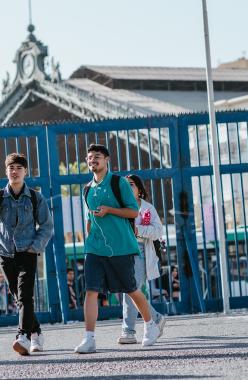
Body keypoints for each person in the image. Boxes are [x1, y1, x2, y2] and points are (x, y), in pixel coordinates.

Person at [74, 144, 160, 354]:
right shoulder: (87, 189)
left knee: (131, 290)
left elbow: (132, 212)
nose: (92, 160)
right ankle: (89, 338)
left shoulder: (118, 182)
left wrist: (109, 210)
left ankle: (151, 325)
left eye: (97, 157)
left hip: (121, 247)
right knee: (91, 291)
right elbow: (90, 216)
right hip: (95, 248)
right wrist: (89, 232)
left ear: (107, 160)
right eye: (90, 157)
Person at [0, 153, 53, 355]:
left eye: (19, 168)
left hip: (27, 253)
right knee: (19, 298)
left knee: (25, 296)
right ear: (6, 171)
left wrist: (35, 246)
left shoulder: (34, 197)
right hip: (6, 255)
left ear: (25, 172)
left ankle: (23, 336)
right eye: (11, 168)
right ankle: (37, 332)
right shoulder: (0, 197)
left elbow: (46, 226)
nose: (14, 172)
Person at [118, 174, 165, 344]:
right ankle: (156, 318)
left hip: (140, 249)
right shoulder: (120, 206)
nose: (128, 188)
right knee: (128, 289)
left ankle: (129, 331)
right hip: (122, 250)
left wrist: (139, 230)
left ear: (139, 189)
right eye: (125, 185)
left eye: (131, 184)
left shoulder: (147, 208)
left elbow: (158, 231)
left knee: (133, 289)